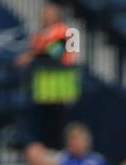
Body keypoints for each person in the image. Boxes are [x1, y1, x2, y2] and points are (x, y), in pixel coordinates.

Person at [13, 3, 79, 149]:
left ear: (57, 14)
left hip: (60, 89)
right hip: (41, 88)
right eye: (43, 13)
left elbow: (57, 52)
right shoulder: (37, 35)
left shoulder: (68, 32)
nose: (45, 16)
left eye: (49, 12)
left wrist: (31, 57)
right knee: (41, 128)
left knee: (57, 127)